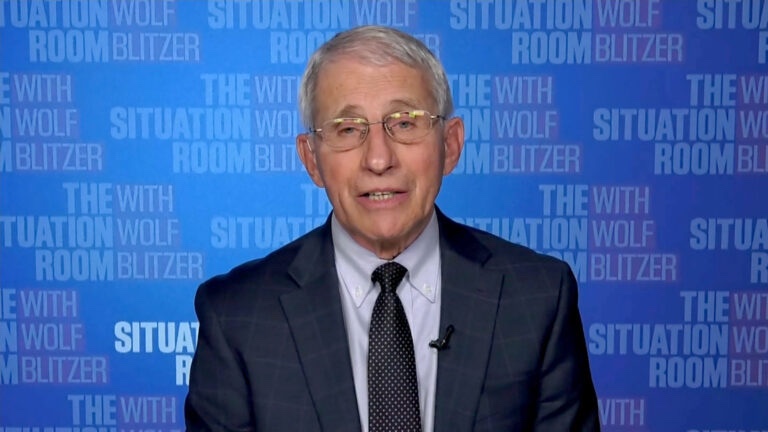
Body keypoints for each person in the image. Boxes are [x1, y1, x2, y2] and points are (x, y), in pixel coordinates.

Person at [185, 25, 600, 431]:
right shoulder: (237, 316)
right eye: (348, 129)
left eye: (404, 123)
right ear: (311, 159)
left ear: (450, 145)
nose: (379, 160)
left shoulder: (538, 298)